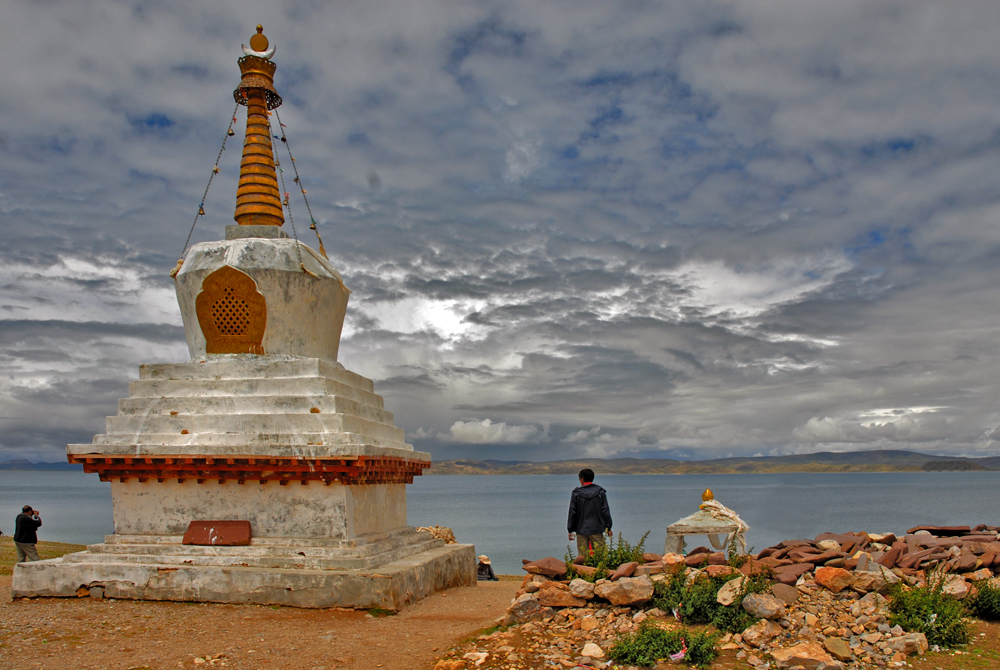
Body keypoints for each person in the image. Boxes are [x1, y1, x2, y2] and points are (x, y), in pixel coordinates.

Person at [567, 468, 613, 557]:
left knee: (583, 556)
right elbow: (605, 510)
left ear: (582, 478)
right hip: (597, 528)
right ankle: (599, 570)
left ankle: (585, 570)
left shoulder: (576, 493)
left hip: (581, 529)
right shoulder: (600, 492)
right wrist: (608, 527)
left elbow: (572, 512)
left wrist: (570, 529)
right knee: (600, 555)